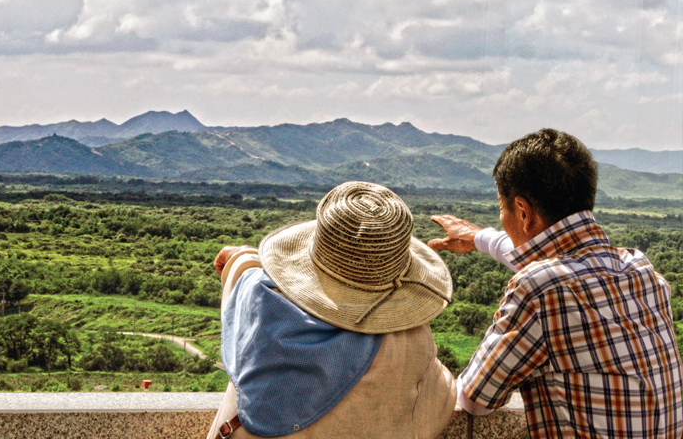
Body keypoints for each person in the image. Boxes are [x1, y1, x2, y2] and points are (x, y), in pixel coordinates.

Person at [429, 128, 683, 439]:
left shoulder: (538, 290)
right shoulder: (641, 270)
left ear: (523, 211)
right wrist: (480, 238)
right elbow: (564, 263)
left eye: (501, 208)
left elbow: (475, 398)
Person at [207, 181, 457, 439]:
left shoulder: (259, 296)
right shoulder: (409, 343)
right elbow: (439, 397)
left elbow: (242, 270)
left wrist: (239, 254)